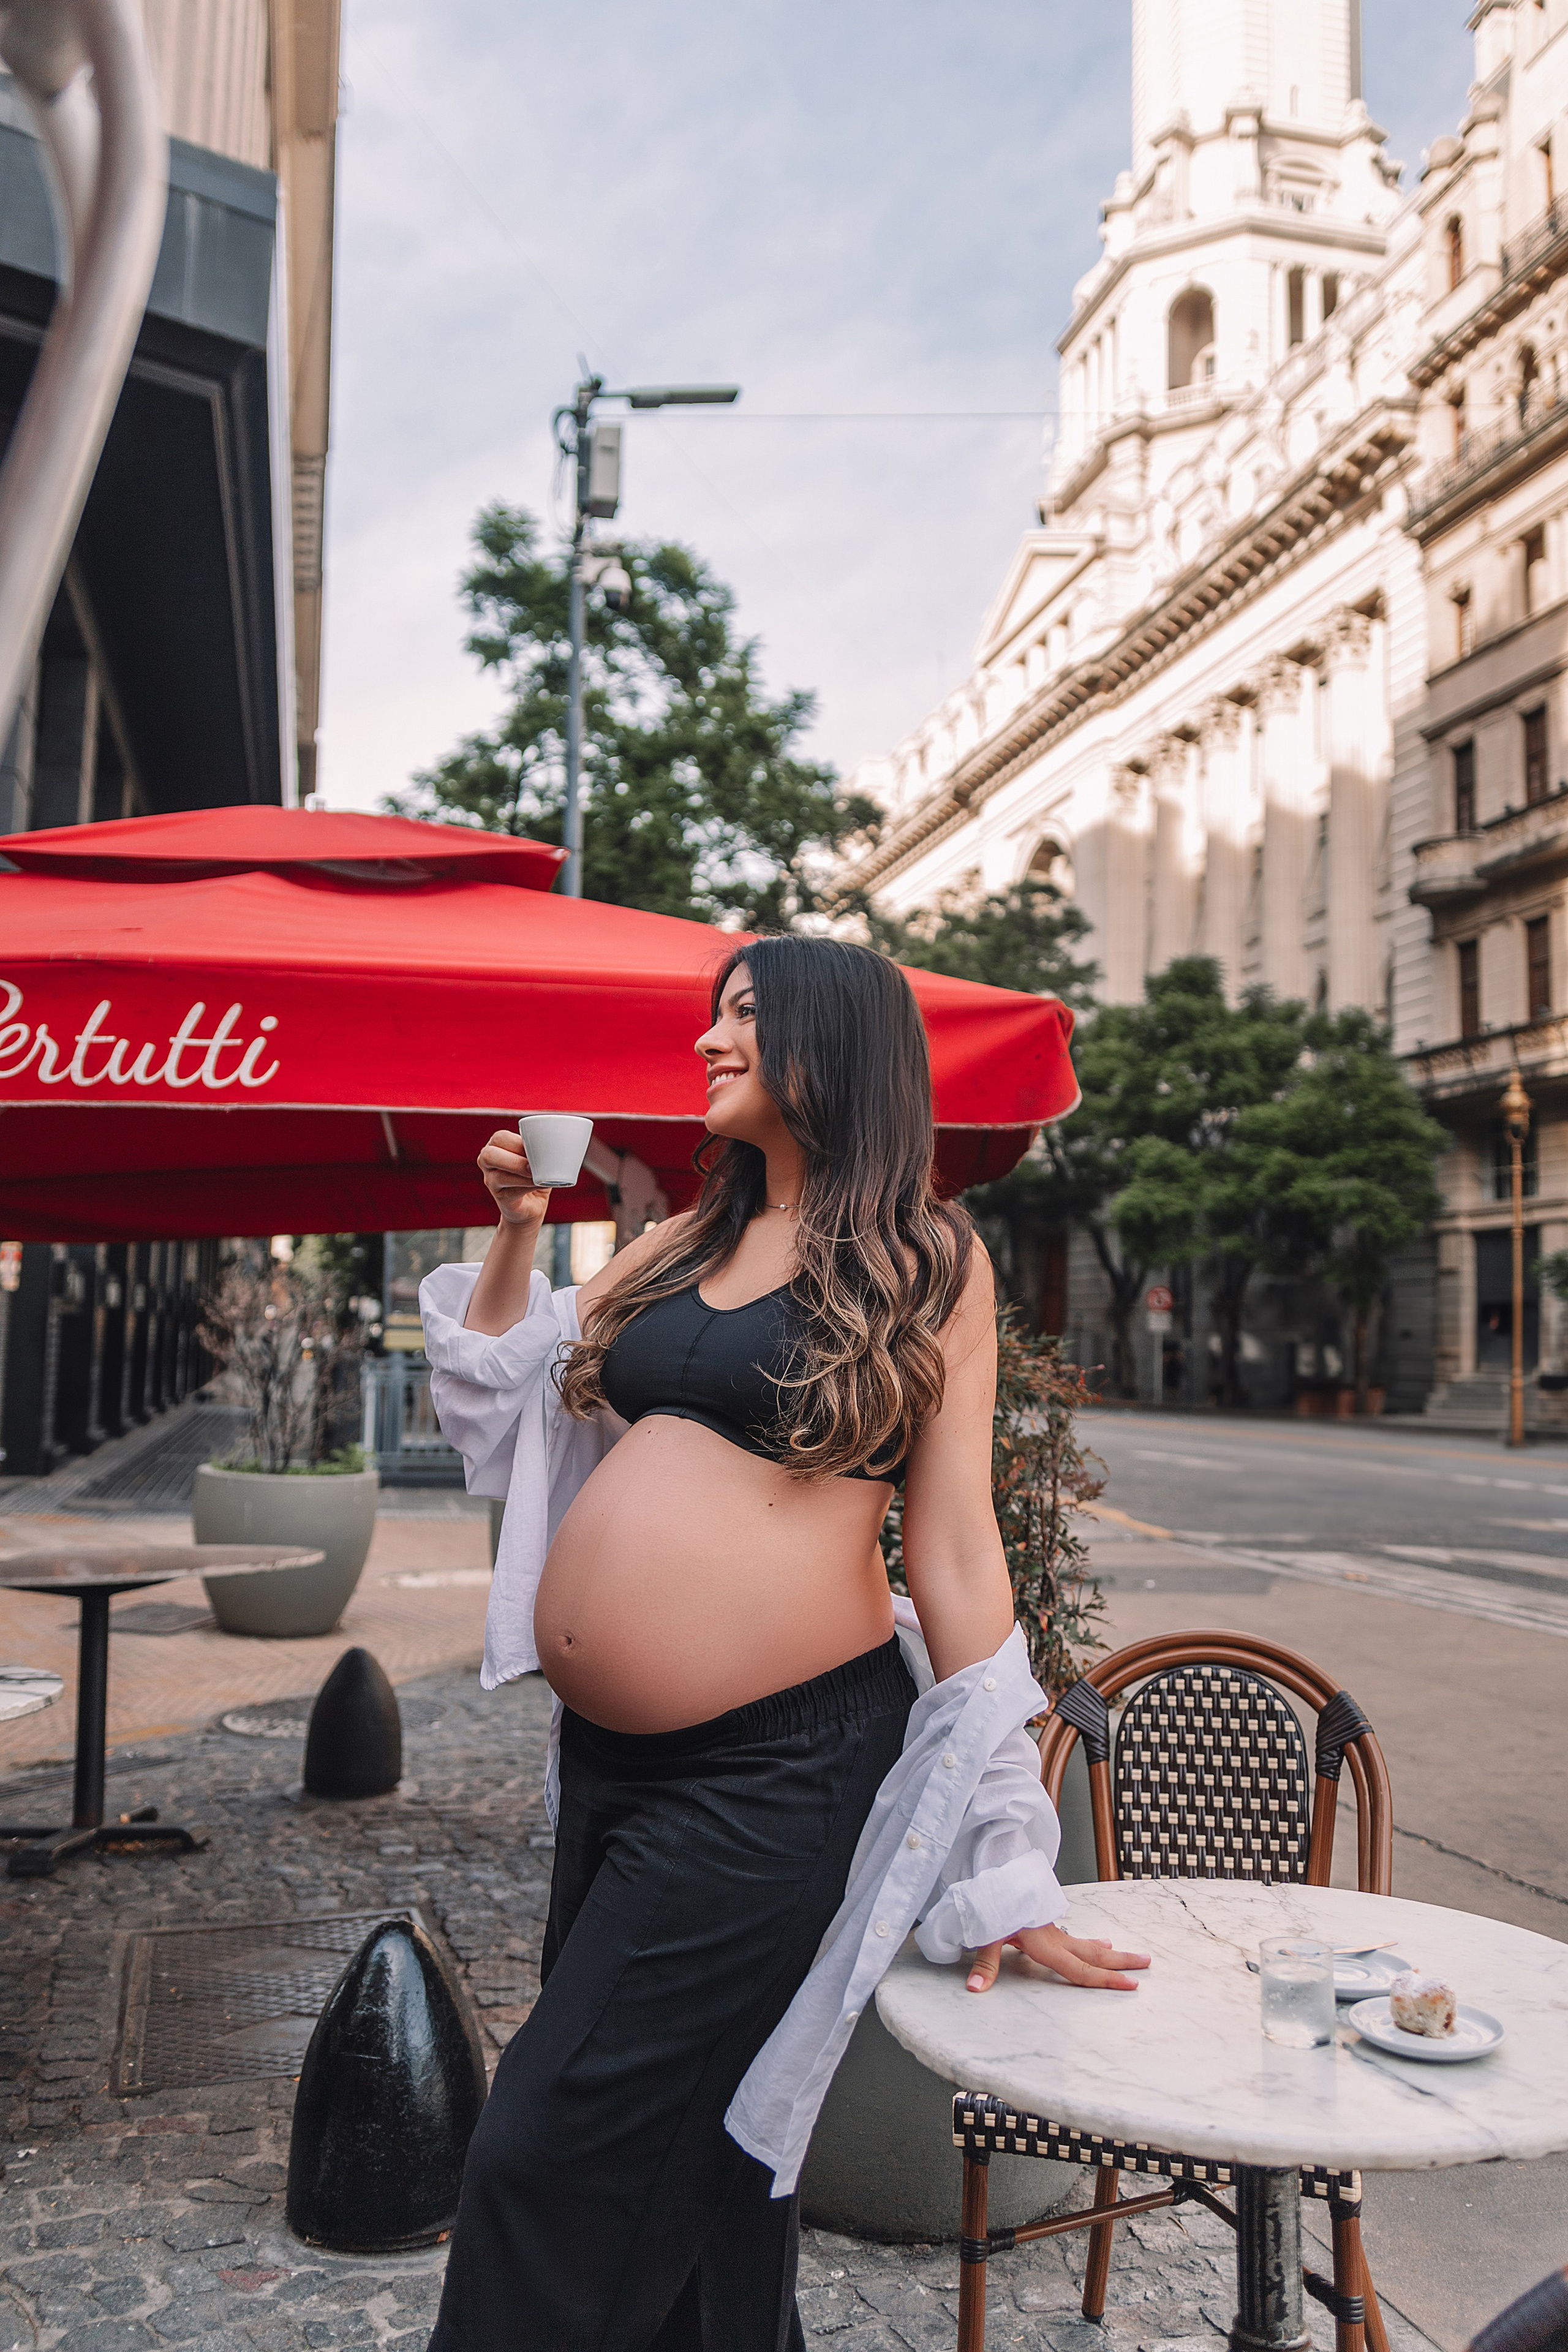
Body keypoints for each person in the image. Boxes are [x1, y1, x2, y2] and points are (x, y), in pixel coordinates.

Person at [419, 935, 1148, 2352]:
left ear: (837, 1047)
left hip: (774, 1781)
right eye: (712, 1016)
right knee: (707, 2158)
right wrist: (514, 1228)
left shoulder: (926, 1263)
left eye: (744, 1016)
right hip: (616, 1768)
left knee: (540, 2156)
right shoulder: (677, 1245)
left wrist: (1005, 1847)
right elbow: (491, 1398)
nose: (709, 1041)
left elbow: (950, 1552)